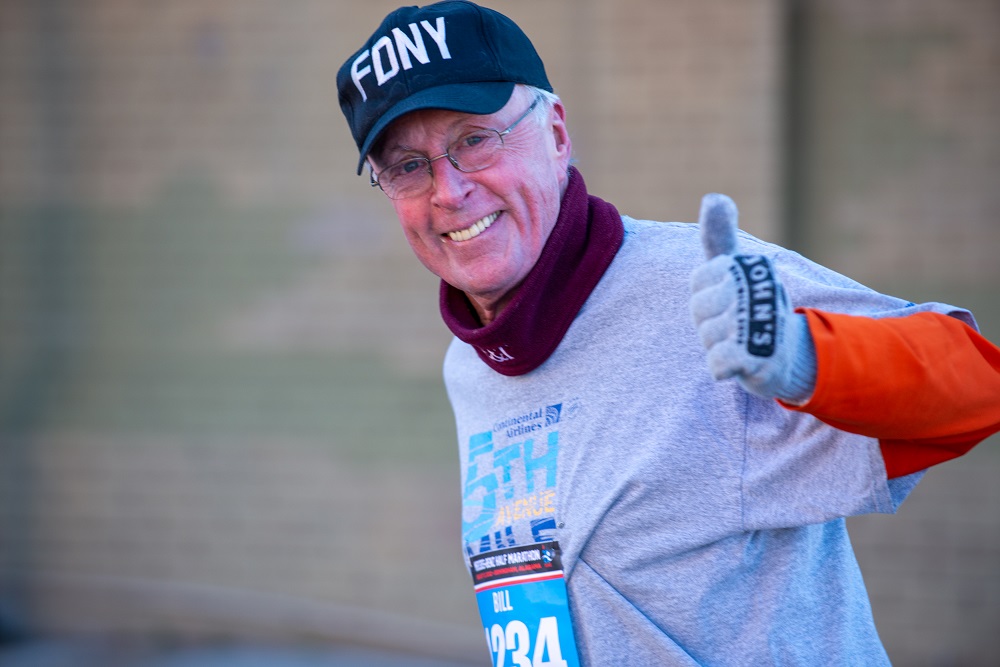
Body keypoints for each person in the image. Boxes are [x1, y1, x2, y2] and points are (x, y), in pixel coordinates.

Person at [337, 2, 1000, 664]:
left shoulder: (703, 290)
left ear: (558, 133)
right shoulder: (471, 363)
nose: (447, 190)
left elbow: (977, 382)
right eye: (407, 165)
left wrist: (804, 357)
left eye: (475, 139)